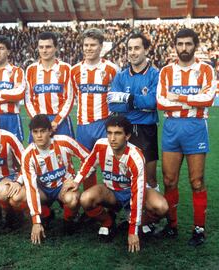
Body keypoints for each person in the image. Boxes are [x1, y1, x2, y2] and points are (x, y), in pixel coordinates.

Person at [65, 115, 165, 253]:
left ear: (127, 136)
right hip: (111, 192)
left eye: (118, 133)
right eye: (109, 133)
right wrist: (76, 181)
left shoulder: (136, 156)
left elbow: (138, 193)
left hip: (132, 192)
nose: (112, 138)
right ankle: (108, 222)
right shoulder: (101, 145)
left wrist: (133, 230)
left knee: (161, 207)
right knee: (85, 198)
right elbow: (89, 163)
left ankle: (137, 222)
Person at [156, 28, 216, 247]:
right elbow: (161, 102)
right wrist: (192, 99)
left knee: (196, 181)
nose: (184, 48)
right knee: (169, 180)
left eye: (188, 44)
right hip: (172, 127)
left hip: (195, 127)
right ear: (175, 46)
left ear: (195, 46)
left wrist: (179, 97)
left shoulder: (206, 70)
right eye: (180, 44)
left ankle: (198, 229)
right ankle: (171, 226)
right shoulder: (166, 72)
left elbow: (208, 98)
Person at [108, 32, 168, 233]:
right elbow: (113, 102)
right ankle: (129, 214)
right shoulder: (121, 75)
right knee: (124, 176)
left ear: (146, 50)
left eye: (137, 48)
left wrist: (128, 99)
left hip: (146, 131)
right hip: (124, 130)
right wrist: (137, 103)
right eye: (130, 49)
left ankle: (148, 218)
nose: (133, 53)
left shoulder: (155, 75)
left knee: (149, 178)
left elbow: (153, 102)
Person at [20, 115, 90, 244]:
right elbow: (31, 187)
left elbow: (88, 158)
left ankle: (68, 221)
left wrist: (76, 180)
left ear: (50, 131)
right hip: (43, 191)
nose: (39, 136)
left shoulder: (64, 142)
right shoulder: (28, 155)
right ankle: (46, 215)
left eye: (43, 131)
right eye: (35, 132)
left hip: (62, 188)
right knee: (18, 197)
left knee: (73, 199)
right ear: (31, 133)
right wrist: (36, 221)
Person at [71, 28, 118, 189]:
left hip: (104, 124)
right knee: (87, 167)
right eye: (86, 45)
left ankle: (112, 204)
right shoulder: (75, 70)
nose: (88, 48)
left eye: (93, 45)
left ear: (101, 47)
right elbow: (72, 96)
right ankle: (92, 210)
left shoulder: (112, 69)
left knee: (110, 166)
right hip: (83, 125)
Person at [25, 32, 75, 141]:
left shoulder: (66, 68)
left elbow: (69, 98)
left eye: (48, 47)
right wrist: (38, 121)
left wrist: (56, 121)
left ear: (56, 48)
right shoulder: (31, 69)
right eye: (41, 47)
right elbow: (28, 99)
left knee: (63, 156)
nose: (44, 50)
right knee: (37, 157)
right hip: (38, 121)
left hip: (60, 121)